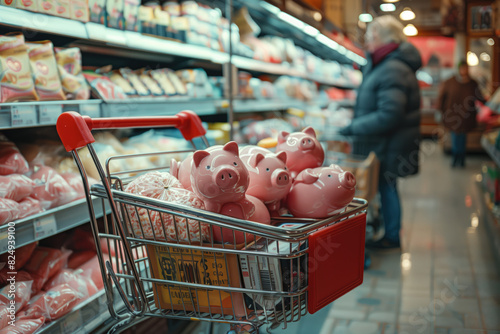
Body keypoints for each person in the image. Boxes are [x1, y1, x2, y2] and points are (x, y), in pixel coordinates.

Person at [339, 15, 422, 249]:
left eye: (370, 37)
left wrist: (353, 127)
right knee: (387, 186)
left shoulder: (392, 68)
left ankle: (392, 236)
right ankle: (389, 231)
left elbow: (390, 115)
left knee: (387, 186)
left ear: (381, 38)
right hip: (386, 142)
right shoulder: (387, 64)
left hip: (389, 144)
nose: (366, 42)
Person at [437, 61, 486, 167]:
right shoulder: (450, 82)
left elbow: (479, 97)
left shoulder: (472, 83)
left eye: (466, 68)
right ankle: (456, 158)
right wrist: (440, 111)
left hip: (466, 116)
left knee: (462, 138)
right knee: (455, 137)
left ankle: (461, 159)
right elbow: (442, 98)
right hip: (452, 116)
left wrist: (490, 103)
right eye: (462, 68)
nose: (464, 71)